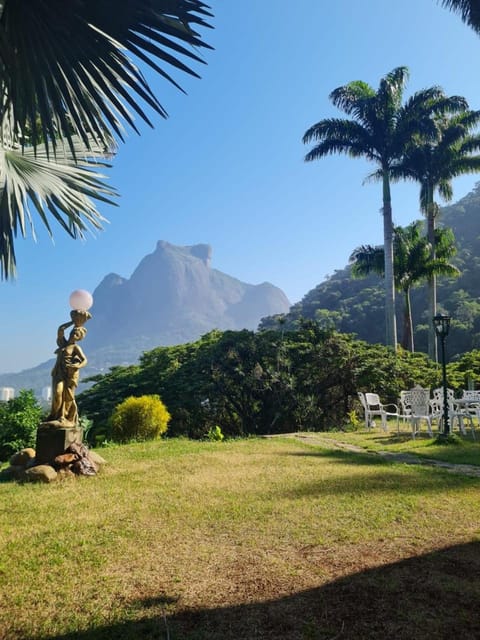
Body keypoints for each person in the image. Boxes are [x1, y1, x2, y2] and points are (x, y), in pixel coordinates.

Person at [46, 320, 88, 426]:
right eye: (74, 332)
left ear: (79, 338)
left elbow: (84, 360)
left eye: (77, 334)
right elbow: (61, 329)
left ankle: (63, 416)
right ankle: (54, 415)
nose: (74, 335)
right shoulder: (62, 343)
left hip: (69, 374)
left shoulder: (75, 347)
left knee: (67, 396)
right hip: (58, 372)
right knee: (58, 392)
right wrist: (73, 322)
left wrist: (77, 366)